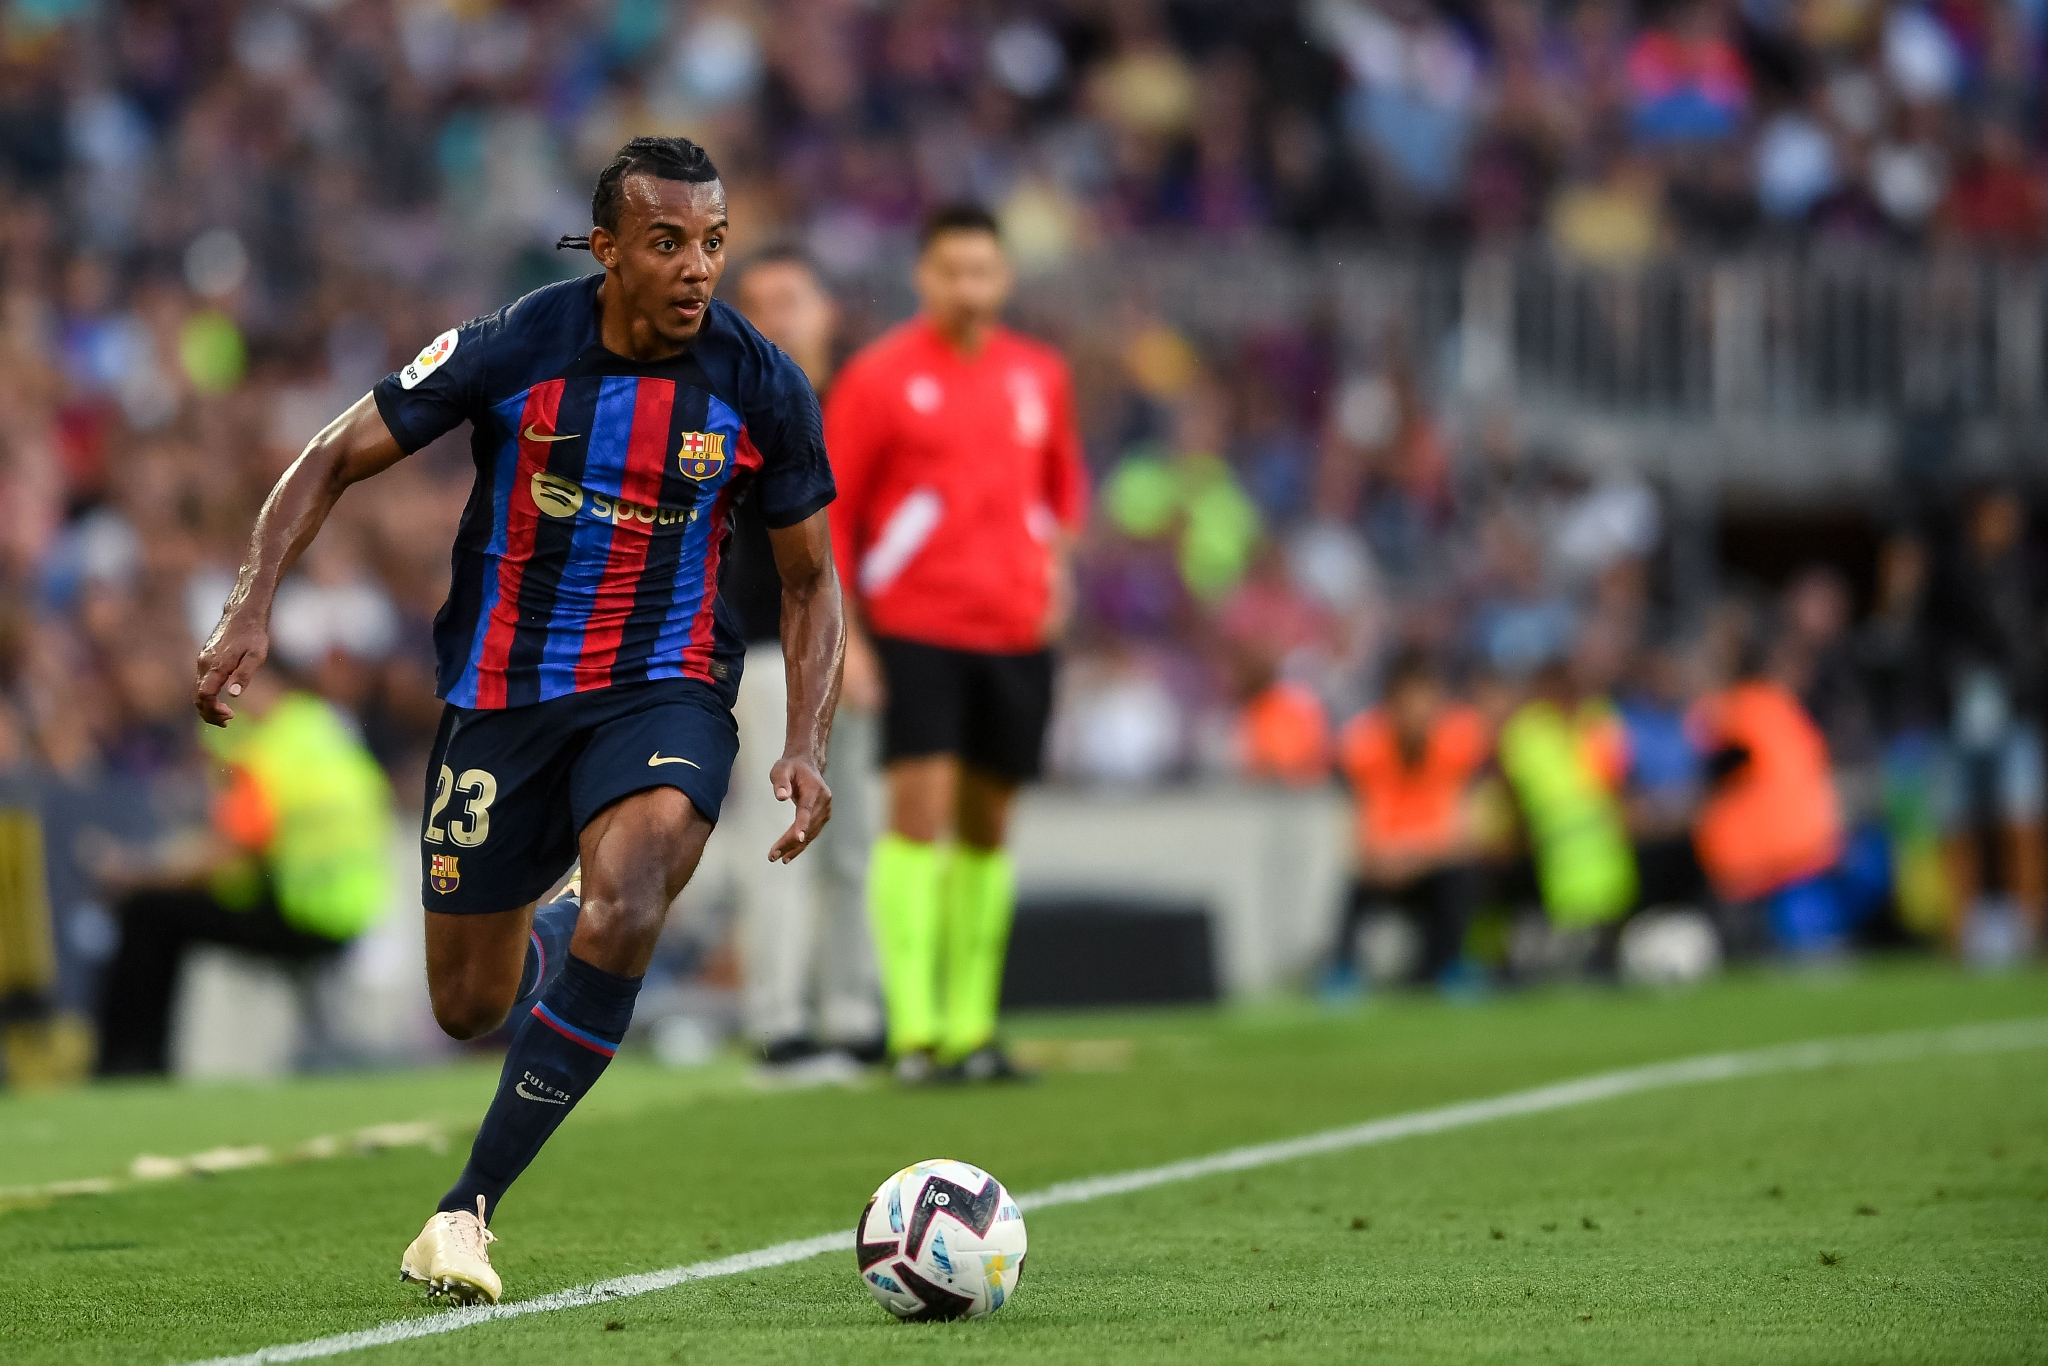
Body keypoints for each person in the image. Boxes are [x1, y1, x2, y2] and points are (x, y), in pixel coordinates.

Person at [193, 137, 844, 1305]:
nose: (696, 268)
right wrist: (251, 604)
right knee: (468, 1005)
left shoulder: (760, 384)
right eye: (666, 243)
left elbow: (808, 580)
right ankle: (546, 931)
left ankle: (465, 1207)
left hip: (665, 687)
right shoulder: (514, 346)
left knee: (630, 892)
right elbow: (333, 454)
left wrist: (804, 737)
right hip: (501, 700)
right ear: (606, 249)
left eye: (712, 242)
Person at [825, 204, 1087, 1083]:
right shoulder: (878, 377)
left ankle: (972, 1030)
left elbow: (1061, 493)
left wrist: (1058, 579)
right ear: (924, 276)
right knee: (918, 814)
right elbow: (834, 516)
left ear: (1004, 277)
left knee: (989, 826)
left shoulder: (1039, 375)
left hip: (1015, 628)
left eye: (982, 271)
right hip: (917, 626)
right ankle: (914, 1031)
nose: (968, 287)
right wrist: (852, 642)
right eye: (952, 271)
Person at [724, 248, 883, 1076]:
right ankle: (779, 1024)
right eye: (758, 302)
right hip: (768, 650)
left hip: (861, 652)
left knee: (854, 844)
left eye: (791, 297)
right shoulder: (737, 403)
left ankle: (854, 1014)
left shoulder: (860, 402)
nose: (775, 316)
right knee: (781, 837)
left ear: (827, 309)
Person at [93, 669, 393, 1076]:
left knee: (147, 912)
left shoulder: (269, 751)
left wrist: (138, 874)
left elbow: (228, 853)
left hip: (298, 910)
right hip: (350, 912)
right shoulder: (324, 730)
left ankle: (130, 1064)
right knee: (166, 910)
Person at [1331, 648, 1491, 988]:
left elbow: (1464, 837)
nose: (1420, 714)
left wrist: (1411, 858)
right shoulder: (1365, 744)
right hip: (1387, 871)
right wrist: (1400, 858)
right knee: (1355, 887)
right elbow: (1361, 842)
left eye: (1428, 702)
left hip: (1427, 868)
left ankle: (1452, 965)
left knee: (1462, 878)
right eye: (1410, 704)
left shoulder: (1459, 738)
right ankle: (1342, 969)